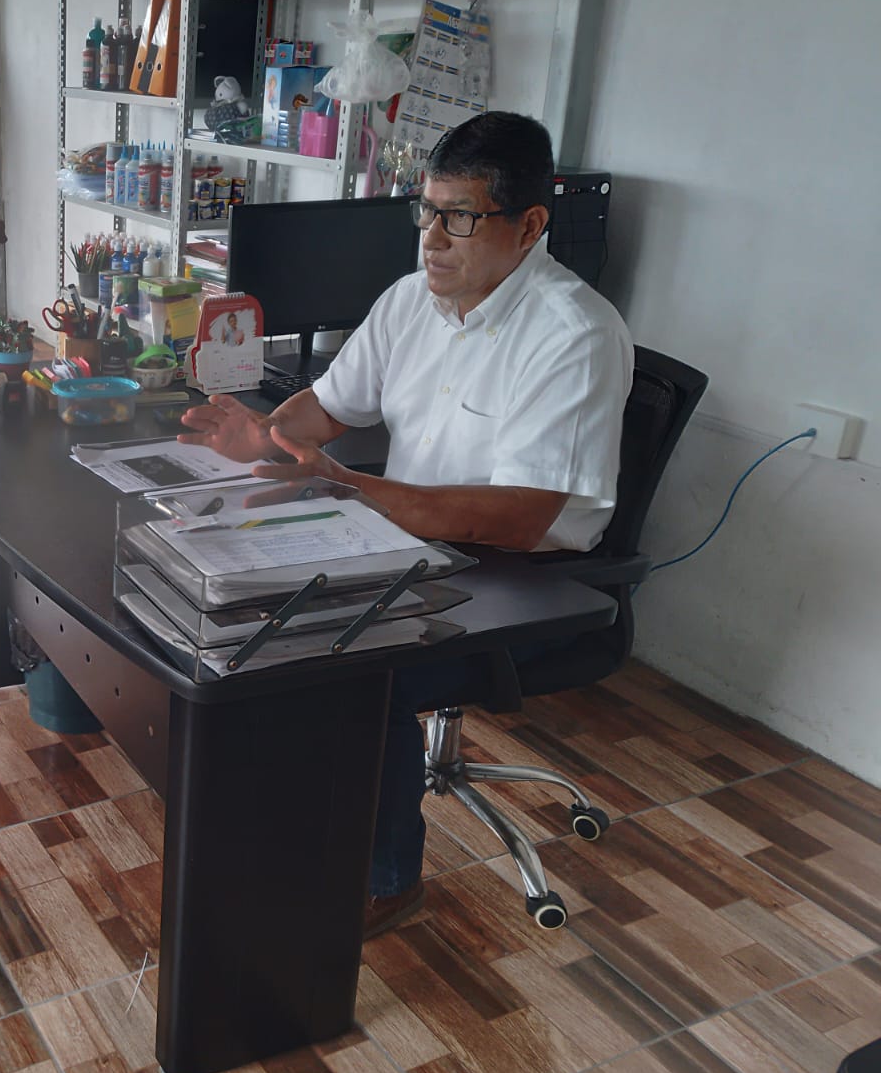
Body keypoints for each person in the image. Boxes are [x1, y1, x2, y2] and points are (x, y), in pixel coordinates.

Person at [179, 112, 633, 937]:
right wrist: (267, 434)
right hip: (414, 541)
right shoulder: (409, 300)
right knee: (253, 615)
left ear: (530, 224)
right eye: (426, 211)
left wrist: (348, 487)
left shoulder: (575, 335)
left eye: (461, 217)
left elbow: (523, 516)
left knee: (350, 663)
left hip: (525, 577)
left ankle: (382, 878)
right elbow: (329, 408)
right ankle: (294, 824)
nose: (432, 237)